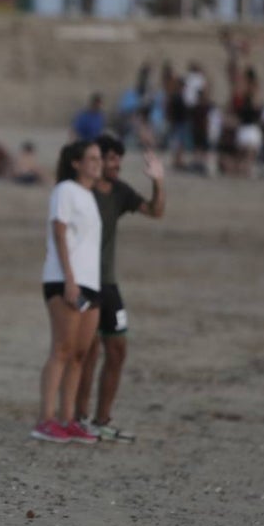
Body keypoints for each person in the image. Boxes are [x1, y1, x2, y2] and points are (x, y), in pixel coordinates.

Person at [74, 135, 164, 443]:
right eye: (111, 159)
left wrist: (158, 181)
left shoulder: (120, 192)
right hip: (84, 282)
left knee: (117, 349)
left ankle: (102, 419)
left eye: (118, 160)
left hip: (108, 283)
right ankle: (79, 418)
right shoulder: (79, 192)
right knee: (88, 352)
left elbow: (156, 211)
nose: (116, 165)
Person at [31, 140, 103, 445]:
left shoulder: (90, 196)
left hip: (91, 282)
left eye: (99, 158)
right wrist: (69, 280)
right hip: (64, 279)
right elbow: (59, 233)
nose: (98, 163)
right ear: (76, 162)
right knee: (61, 348)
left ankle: (68, 418)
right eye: (92, 158)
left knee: (79, 353)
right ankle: (46, 419)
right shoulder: (65, 191)